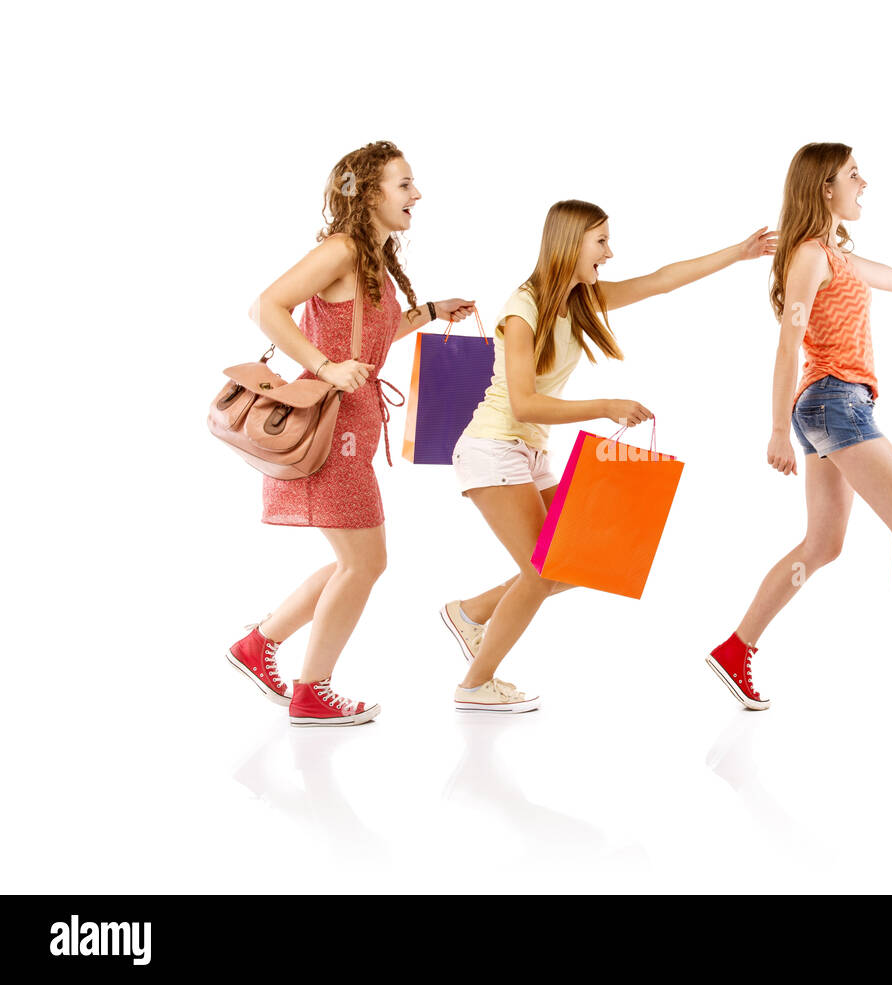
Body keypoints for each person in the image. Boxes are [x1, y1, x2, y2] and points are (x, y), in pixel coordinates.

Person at [441, 199, 777, 712]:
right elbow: (526, 401)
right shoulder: (523, 307)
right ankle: (475, 684)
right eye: (600, 241)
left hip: (527, 451)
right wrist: (605, 406)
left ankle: (472, 612)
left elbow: (660, 279)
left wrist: (738, 252)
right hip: (492, 448)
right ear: (569, 242)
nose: (610, 252)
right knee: (542, 571)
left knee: (584, 557)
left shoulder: (578, 301)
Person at [705, 142, 892, 710]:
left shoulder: (835, 255)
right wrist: (776, 431)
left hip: (828, 405)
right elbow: (789, 338)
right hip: (835, 403)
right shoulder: (811, 255)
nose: (864, 184)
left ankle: (736, 650)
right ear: (824, 189)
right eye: (853, 176)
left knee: (823, 543)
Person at [224, 140, 476, 726]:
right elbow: (266, 308)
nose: (417, 195)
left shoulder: (370, 260)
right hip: (331, 425)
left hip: (353, 427)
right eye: (404, 184)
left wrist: (432, 311)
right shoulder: (341, 249)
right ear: (368, 193)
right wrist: (325, 364)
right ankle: (311, 690)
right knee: (363, 562)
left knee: (355, 560)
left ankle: (257, 647)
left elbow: (368, 338)